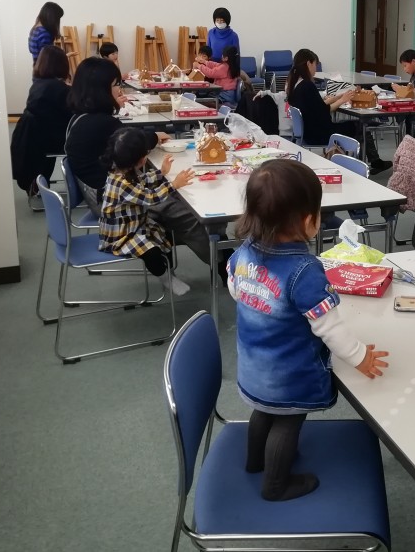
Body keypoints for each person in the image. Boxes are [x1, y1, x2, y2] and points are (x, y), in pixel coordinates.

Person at [229, 159, 389, 501]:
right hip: (290, 373)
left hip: (254, 365)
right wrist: (360, 357)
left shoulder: (242, 253)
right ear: (308, 220)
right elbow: (328, 327)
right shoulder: (305, 270)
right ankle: (276, 484)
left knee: (263, 410)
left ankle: (255, 461)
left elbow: (235, 288)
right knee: (288, 419)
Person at [64, 57, 216, 270]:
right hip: (113, 204)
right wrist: (154, 136)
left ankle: (166, 256)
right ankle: (223, 263)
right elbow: (134, 140)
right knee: (184, 213)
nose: (120, 89)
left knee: (173, 198)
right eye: (116, 84)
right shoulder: (101, 122)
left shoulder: (80, 117)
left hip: (101, 194)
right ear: (100, 89)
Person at [98, 127, 195, 295]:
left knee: (163, 236)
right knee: (151, 252)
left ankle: (168, 272)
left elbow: (141, 181)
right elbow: (149, 198)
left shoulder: (122, 170)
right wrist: (173, 185)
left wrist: (161, 173)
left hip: (134, 225)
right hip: (120, 236)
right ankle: (166, 278)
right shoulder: (122, 183)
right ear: (141, 159)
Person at [285, 48, 392, 175]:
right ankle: (371, 164)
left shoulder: (296, 85)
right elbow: (324, 111)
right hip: (319, 134)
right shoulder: (308, 86)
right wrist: (343, 100)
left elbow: (316, 106)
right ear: (309, 63)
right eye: (315, 65)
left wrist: (339, 97)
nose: (316, 68)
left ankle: (365, 162)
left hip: (307, 133)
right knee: (360, 126)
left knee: (350, 123)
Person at [10, 45, 72, 195]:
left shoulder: (38, 84)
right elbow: (73, 113)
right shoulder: (59, 88)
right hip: (49, 140)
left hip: (37, 139)